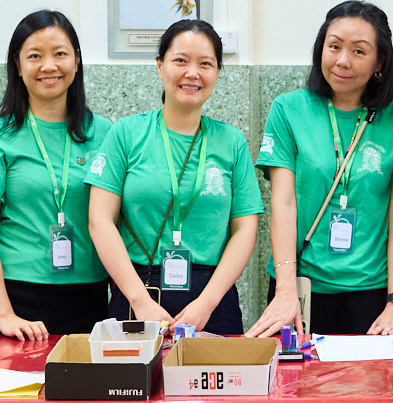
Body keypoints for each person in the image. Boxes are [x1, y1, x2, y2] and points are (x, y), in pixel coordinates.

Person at [246, 0, 393, 338]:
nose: (343, 60)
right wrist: (285, 290)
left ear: (379, 61)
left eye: (359, 51)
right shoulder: (288, 110)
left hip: (371, 294)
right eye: (334, 46)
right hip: (299, 288)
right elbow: (283, 203)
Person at [86, 20, 262, 333]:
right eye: (180, 60)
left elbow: (245, 228)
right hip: (139, 289)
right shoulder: (126, 134)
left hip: (213, 298)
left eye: (205, 64)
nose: (192, 73)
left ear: (217, 72)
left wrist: (207, 302)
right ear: (160, 66)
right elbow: (100, 220)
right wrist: (139, 300)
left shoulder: (231, 141)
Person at [0, 11, 113, 339]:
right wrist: (4, 314)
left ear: (77, 60)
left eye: (60, 54)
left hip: (89, 297)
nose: (49, 66)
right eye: (35, 56)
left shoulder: (105, 134)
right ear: (17, 66)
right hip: (14, 298)